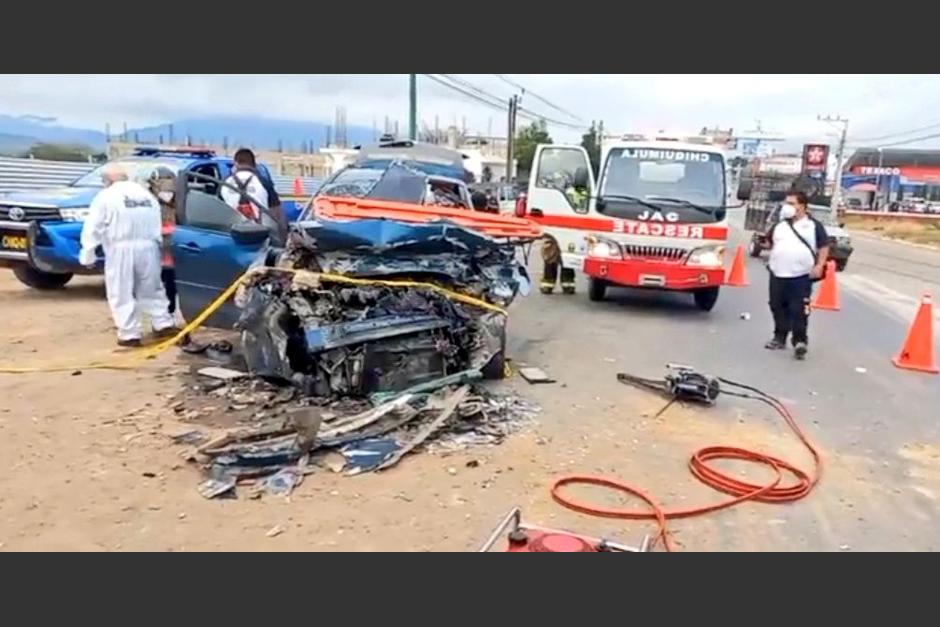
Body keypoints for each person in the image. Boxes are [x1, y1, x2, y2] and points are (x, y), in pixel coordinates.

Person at [79, 164, 176, 347]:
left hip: (120, 248)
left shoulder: (106, 196)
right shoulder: (146, 195)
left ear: (107, 180)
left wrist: (88, 254)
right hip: (149, 247)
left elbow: (93, 226)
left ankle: (129, 333)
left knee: (121, 291)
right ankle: (163, 324)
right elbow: (157, 222)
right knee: (152, 287)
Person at [763, 191, 830, 360]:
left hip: (800, 275)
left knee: (799, 309)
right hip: (777, 273)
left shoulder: (814, 226)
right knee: (777, 306)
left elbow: (823, 247)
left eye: (792, 203)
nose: (787, 206)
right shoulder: (780, 226)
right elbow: (769, 242)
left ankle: (800, 341)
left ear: (803, 206)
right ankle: (779, 337)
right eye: (787, 203)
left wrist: (819, 265)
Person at [221, 148, 287, 241]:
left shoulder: (225, 183)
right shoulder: (263, 182)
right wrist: (283, 237)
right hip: (260, 237)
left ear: (235, 163)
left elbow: (218, 210)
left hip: (232, 237)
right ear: (254, 164)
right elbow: (277, 213)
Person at [147, 166, 181, 320]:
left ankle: (169, 313)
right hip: (158, 249)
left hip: (173, 250)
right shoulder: (149, 202)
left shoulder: (180, 202)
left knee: (170, 284)